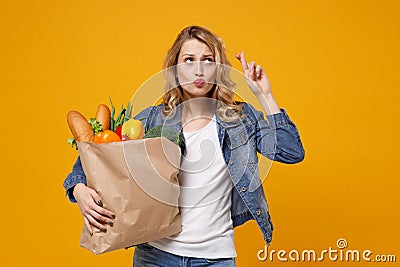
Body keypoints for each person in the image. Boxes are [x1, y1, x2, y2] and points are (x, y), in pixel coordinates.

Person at [63, 25, 305, 266]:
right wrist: (78, 190)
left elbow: (291, 151)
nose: (198, 70)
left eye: (208, 60)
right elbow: (97, 155)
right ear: (176, 70)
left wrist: (265, 95)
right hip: (155, 255)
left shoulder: (240, 119)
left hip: (215, 258)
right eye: (189, 60)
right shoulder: (151, 119)